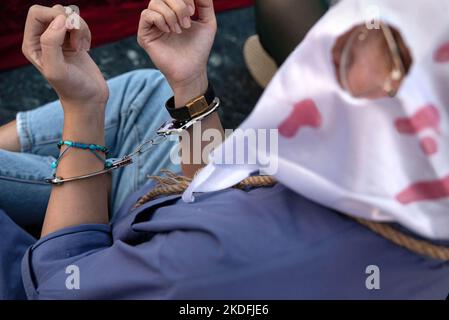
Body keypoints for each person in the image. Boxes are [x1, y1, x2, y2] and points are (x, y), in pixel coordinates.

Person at [1, 0, 449, 300]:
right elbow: (214, 194)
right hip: (181, 226)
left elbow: (58, 281)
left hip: (54, 272)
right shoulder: (411, 210)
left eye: (383, 35)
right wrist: (190, 82)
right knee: (148, 92)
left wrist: (82, 109)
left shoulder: (219, 251)